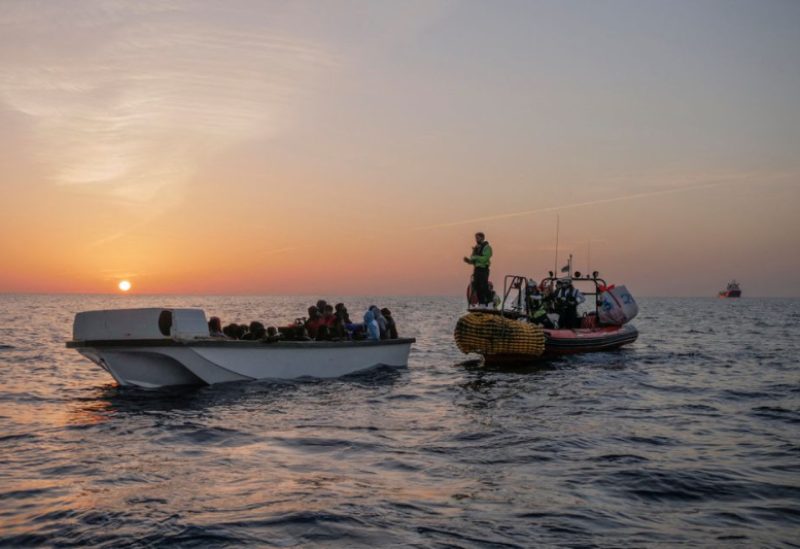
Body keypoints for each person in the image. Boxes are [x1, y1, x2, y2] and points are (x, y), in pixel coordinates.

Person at [463, 232, 492, 307]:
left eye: (478, 238)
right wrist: (468, 261)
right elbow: (474, 260)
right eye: (476, 238)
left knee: (484, 286)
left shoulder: (487, 247)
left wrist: (475, 257)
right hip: (477, 269)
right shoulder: (476, 248)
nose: (476, 239)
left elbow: (485, 259)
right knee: (477, 286)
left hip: (483, 269)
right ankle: (481, 304)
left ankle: (490, 303)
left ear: (482, 238)